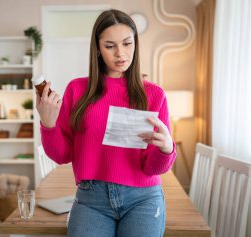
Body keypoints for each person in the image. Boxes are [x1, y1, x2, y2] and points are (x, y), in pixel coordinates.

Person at [35, 9, 176, 237]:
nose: (120, 53)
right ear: (98, 50)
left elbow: (154, 167)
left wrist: (167, 148)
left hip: (143, 199)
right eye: (110, 46)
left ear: (135, 45)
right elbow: (63, 155)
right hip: (91, 199)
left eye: (127, 44)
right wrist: (48, 125)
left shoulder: (154, 95)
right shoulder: (77, 90)